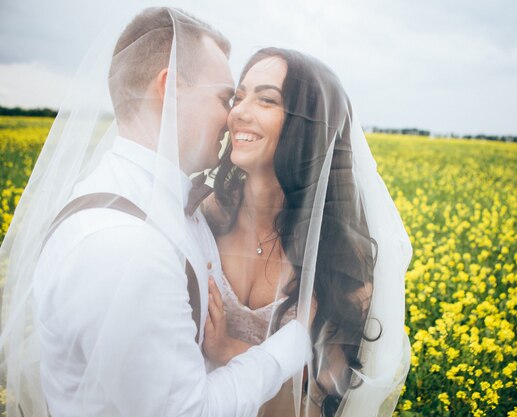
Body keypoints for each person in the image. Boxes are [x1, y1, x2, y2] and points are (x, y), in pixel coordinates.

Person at [0, 8, 311, 417]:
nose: (233, 115)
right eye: (225, 98)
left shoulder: (167, 207)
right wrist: (292, 345)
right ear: (169, 89)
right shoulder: (123, 247)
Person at [201, 48, 412, 417]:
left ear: (308, 126)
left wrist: (228, 349)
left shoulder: (341, 255)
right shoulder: (208, 214)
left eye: (266, 99)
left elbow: (325, 390)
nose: (239, 112)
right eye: (239, 96)